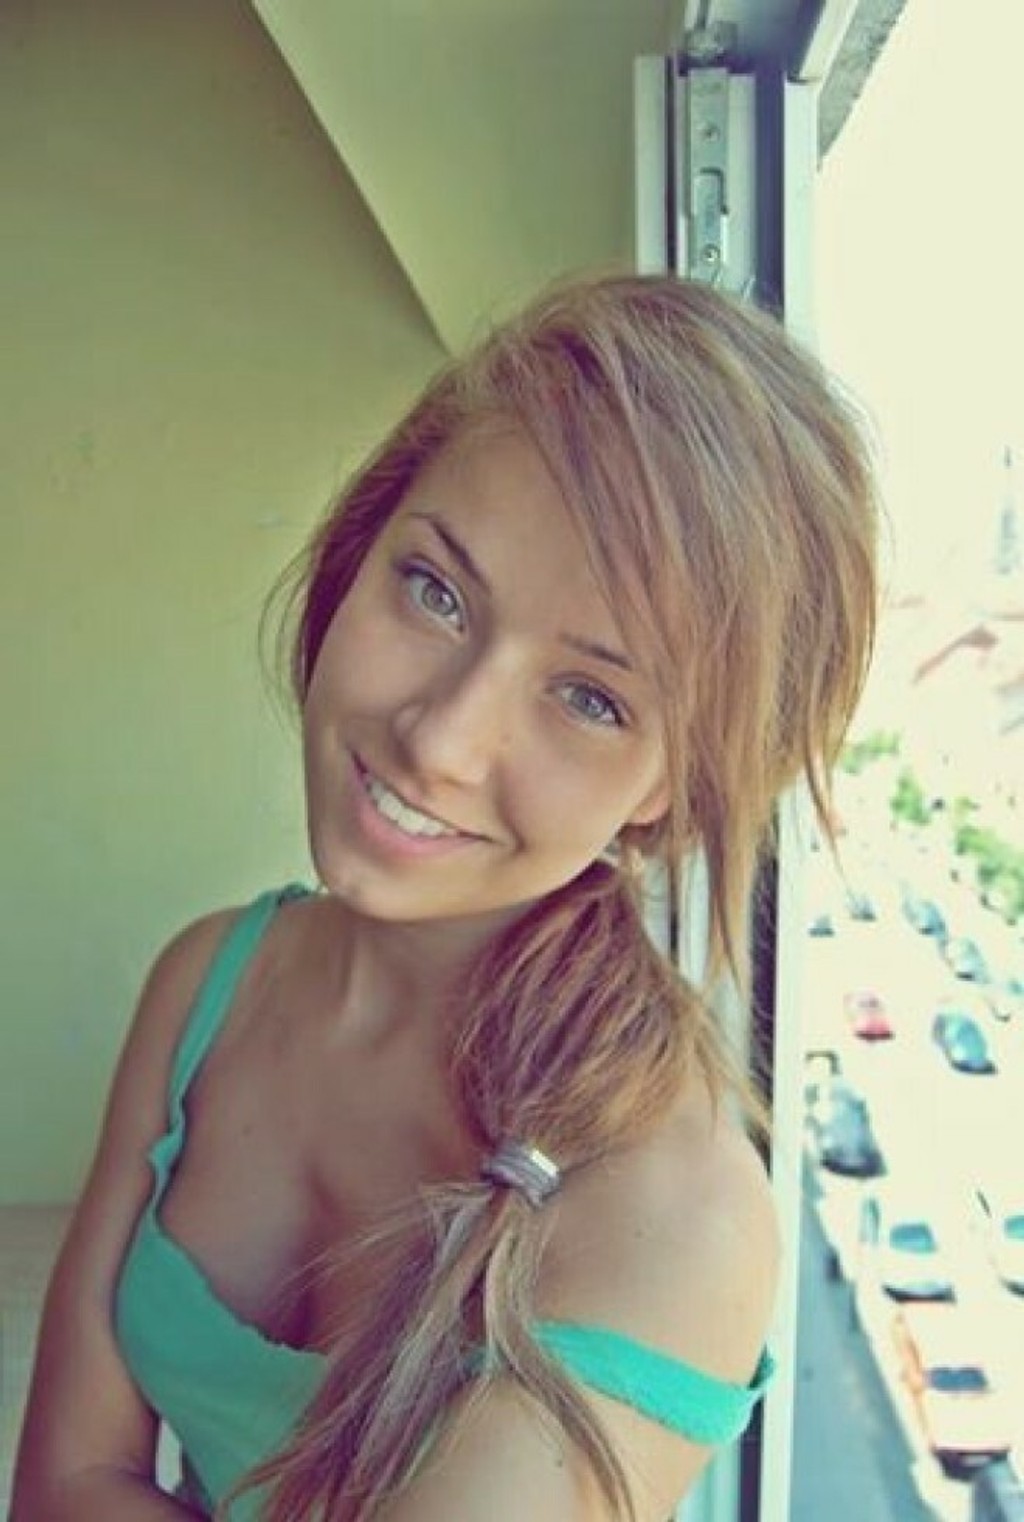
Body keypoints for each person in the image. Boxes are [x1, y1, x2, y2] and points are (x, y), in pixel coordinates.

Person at [11, 272, 877, 1522]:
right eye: (435, 591)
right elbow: (59, 1486)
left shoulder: (675, 1214)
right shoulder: (206, 981)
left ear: (671, 784)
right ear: (360, 550)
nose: (439, 740)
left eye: (591, 699)